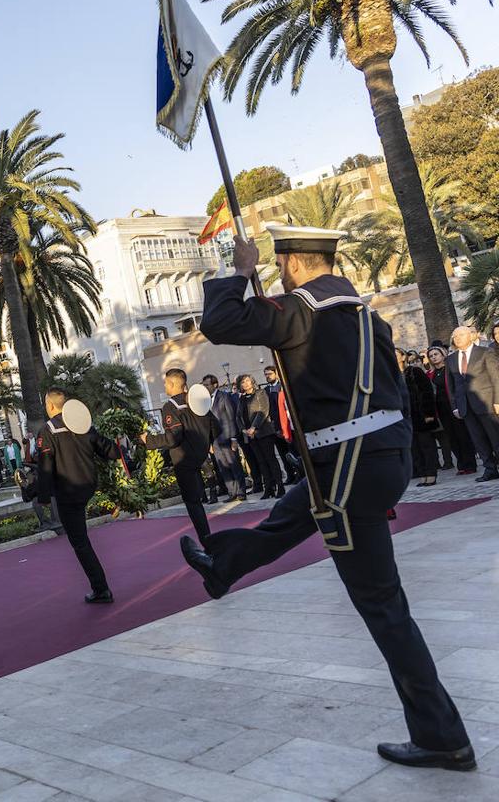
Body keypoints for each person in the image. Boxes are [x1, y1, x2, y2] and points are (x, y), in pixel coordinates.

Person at [181, 226, 474, 771]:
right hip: (375, 459)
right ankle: (223, 565)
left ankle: (442, 736)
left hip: (346, 467)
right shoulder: (366, 315)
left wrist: (241, 273)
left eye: (276, 263)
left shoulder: (300, 312)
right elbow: (397, 390)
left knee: (385, 608)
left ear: (291, 265)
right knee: (292, 512)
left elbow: (219, 322)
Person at [35, 387, 123, 603]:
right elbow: (110, 451)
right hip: (88, 485)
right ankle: (100, 587)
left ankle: (101, 589)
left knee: (80, 543)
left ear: (51, 406)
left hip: (67, 492)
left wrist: (43, 497)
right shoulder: (82, 424)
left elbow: (45, 467)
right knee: (82, 539)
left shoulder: (48, 431)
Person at [142, 368, 217, 544]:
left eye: (166, 382)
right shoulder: (195, 400)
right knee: (198, 500)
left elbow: (172, 437)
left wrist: (148, 440)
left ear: (173, 383)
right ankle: (209, 540)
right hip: (200, 455)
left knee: (193, 503)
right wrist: (207, 444)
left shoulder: (171, 406)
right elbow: (216, 426)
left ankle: (208, 544)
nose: (165, 386)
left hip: (184, 459)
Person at [447, 325, 499, 482]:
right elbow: (452, 385)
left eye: (461, 335)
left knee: (495, 437)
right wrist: (454, 406)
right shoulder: (451, 359)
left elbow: (495, 377)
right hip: (466, 407)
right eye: (455, 336)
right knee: (478, 440)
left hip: (486, 402)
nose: (458, 339)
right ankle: (490, 469)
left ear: (471, 336)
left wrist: (497, 400)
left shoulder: (485, 352)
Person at [426, 345, 474, 474]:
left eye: (436, 354)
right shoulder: (430, 374)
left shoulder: (451, 369)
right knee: (451, 437)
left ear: (443, 355)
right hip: (441, 409)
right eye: (431, 356)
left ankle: (470, 464)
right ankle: (461, 464)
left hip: (454, 406)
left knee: (462, 435)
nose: (433, 357)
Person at [237, 374, 284, 499]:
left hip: (263, 432)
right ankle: (269, 488)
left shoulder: (260, 393)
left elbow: (263, 410)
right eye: (243, 382)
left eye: (247, 381)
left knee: (271, 459)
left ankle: (280, 486)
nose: (246, 384)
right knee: (261, 462)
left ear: (252, 382)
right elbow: (238, 416)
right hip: (250, 436)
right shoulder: (241, 399)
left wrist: (253, 427)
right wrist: (243, 430)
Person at [203, 374, 247, 502]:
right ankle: (232, 492)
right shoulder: (205, 400)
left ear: (214, 384)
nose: (205, 387)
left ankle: (241, 492)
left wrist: (234, 439)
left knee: (234, 465)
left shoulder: (224, 396)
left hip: (227, 437)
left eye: (207, 385)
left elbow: (231, 417)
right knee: (223, 467)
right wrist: (209, 442)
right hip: (215, 440)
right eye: (204, 385)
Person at [404, 351, 440, 486]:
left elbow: (427, 392)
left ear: (403, 357)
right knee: (414, 448)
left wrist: (429, 413)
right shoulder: (393, 375)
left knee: (426, 445)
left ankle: (431, 473)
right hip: (405, 418)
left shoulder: (415, 372)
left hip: (420, 415)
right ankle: (422, 473)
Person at [263, 366, 300, 483]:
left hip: (288, 426)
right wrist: (275, 427)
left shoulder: (282, 387)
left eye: (269, 374)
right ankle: (290, 475)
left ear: (276, 374)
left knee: (293, 451)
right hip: (275, 427)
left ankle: (299, 474)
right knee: (283, 453)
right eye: (266, 374)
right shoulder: (265, 391)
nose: (268, 376)